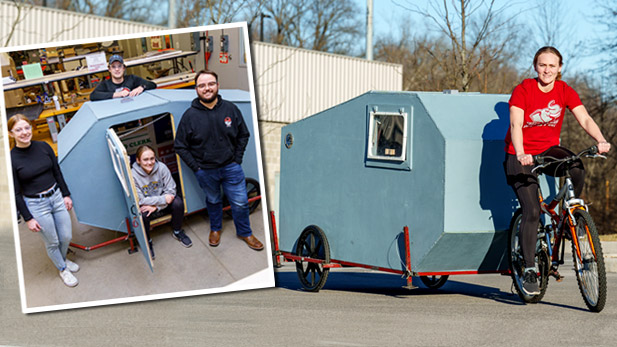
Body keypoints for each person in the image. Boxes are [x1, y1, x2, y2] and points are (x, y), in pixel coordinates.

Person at [504, 46, 611, 296]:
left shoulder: (564, 90)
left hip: (549, 150)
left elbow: (584, 118)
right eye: (543, 65)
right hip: (520, 156)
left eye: (552, 66)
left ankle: (570, 213)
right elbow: (516, 123)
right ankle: (529, 268)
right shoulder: (523, 90)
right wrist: (520, 152)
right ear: (535, 66)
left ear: (559, 68)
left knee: (576, 164)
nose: (547, 70)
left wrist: (600, 139)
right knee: (531, 211)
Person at [174, 70, 264, 251]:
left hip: (231, 167)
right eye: (202, 85)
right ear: (196, 89)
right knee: (213, 201)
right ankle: (215, 229)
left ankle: (245, 232)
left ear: (217, 85)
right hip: (205, 171)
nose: (207, 88)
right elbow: (180, 146)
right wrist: (197, 168)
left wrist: (237, 159)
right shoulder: (189, 116)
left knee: (240, 203)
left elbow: (243, 135)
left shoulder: (230, 109)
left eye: (210, 84)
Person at [8, 114, 80, 287]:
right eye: (18, 130)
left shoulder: (43, 146)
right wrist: (28, 218)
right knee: (52, 241)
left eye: (26, 128)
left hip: (56, 197)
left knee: (66, 236)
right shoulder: (12, 159)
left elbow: (57, 172)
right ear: (11, 134)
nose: (24, 133)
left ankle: (62, 260)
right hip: (36, 205)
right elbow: (16, 193)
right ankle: (63, 268)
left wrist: (65, 194)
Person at [132, 145, 193, 259]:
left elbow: (171, 190)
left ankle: (177, 231)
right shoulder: (133, 175)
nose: (150, 162)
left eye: (152, 158)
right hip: (150, 205)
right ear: (138, 160)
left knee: (178, 202)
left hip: (159, 204)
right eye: (145, 159)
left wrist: (157, 206)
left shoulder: (162, 168)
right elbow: (140, 200)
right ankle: (147, 241)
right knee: (142, 213)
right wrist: (163, 200)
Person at [89, 54, 157, 101]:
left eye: (119, 66)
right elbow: (93, 96)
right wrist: (118, 94)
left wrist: (141, 87)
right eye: (113, 67)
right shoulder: (105, 84)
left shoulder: (132, 78)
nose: (117, 69)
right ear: (109, 69)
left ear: (124, 68)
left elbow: (153, 84)